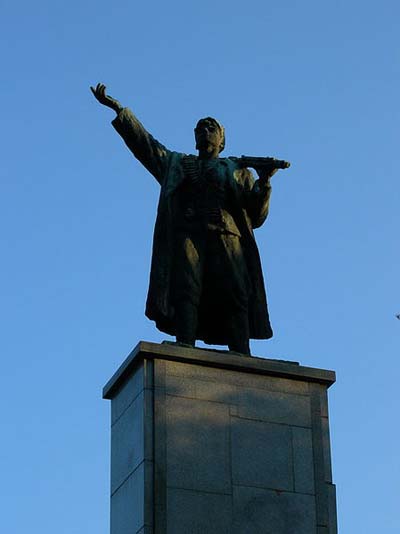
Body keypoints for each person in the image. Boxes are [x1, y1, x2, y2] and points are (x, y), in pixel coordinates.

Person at [91, 83, 279, 355]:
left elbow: (257, 217)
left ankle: (241, 351)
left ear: (222, 140)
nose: (205, 132)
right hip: (189, 233)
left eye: (211, 128)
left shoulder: (238, 171)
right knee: (186, 290)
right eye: (200, 129)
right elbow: (145, 145)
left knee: (235, 293)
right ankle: (185, 346)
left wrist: (264, 181)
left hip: (228, 236)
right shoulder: (176, 164)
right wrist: (120, 110)